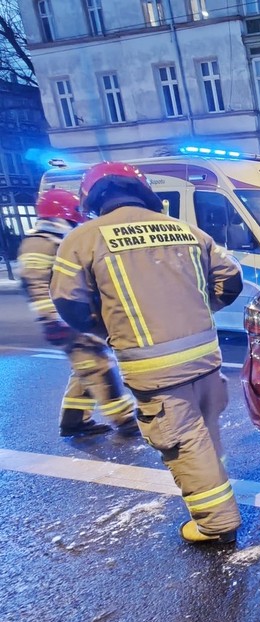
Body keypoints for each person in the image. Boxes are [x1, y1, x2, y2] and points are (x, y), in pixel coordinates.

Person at [50, 162, 245, 545]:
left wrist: (107, 328)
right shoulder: (187, 230)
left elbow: (69, 303)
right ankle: (214, 485)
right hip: (205, 356)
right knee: (205, 431)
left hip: (154, 365)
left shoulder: (83, 239)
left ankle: (216, 523)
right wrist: (199, 313)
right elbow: (231, 279)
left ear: (93, 197)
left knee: (183, 439)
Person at [19, 189, 137, 437]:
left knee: (85, 366)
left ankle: (73, 420)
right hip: (64, 320)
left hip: (75, 318)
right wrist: (52, 321)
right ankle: (124, 419)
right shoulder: (40, 242)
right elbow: (36, 285)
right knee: (99, 366)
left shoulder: (56, 238)